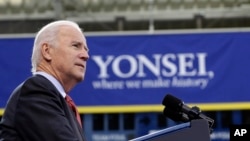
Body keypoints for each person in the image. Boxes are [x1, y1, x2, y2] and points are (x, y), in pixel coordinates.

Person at [0, 20, 89, 141]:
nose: (85, 55)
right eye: (76, 46)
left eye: (86, 49)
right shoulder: (36, 91)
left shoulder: (61, 102)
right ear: (47, 51)